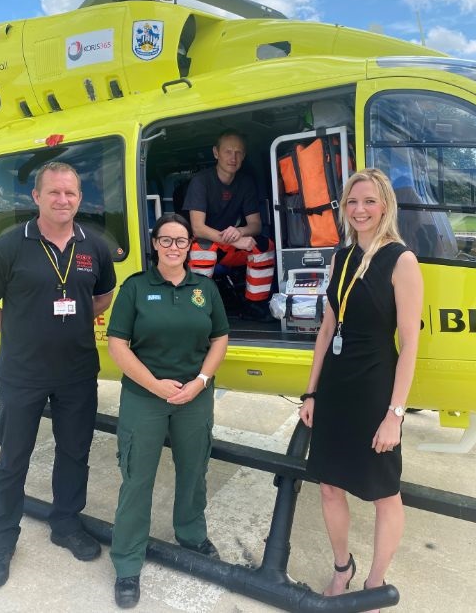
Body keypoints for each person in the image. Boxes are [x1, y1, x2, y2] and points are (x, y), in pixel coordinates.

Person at [0, 161, 116, 588]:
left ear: (80, 198)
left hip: (76, 372)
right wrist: (24, 336)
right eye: (54, 192)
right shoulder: (9, 245)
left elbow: (103, 296)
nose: (63, 200)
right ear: (36, 197)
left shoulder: (94, 244)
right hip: (22, 373)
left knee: (74, 453)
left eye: (71, 193)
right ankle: (2, 539)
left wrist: (66, 329)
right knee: (13, 459)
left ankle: (66, 524)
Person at [298, 168, 422, 608]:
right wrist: (310, 392)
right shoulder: (342, 257)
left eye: (369, 201)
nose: (360, 210)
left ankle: (375, 581)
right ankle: (341, 566)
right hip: (336, 385)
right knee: (330, 485)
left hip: (374, 388)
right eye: (352, 202)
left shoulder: (400, 259)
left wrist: (395, 414)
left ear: (384, 205)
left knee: (384, 493)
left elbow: (409, 343)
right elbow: (327, 327)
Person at [106, 214, 230, 609]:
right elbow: (118, 345)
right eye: (166, 240)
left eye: (181, 241)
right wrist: (155, 385)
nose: (174, 247)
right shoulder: (136, 288)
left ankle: (191, 534)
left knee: (194, 471)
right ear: (155, 244)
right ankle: (127, 562)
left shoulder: (205, 289)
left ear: (190, 245)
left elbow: (220, 337)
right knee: (137, 477)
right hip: (145, 396)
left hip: (194, 397)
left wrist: (201, 381)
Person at [185, 129, 276, 320]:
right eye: (227, 151)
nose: (233, 157)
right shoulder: (201, 181)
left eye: (238, 152)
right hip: (202, 244)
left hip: (228, 247)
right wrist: (234, 241)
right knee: (204, 247)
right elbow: (198, 228)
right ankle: (197, 308)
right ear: (216, 153)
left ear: (244, 156)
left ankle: (255, 305)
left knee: (263, 245)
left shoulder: (245, 183)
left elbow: (255, 225)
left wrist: (239, 231)